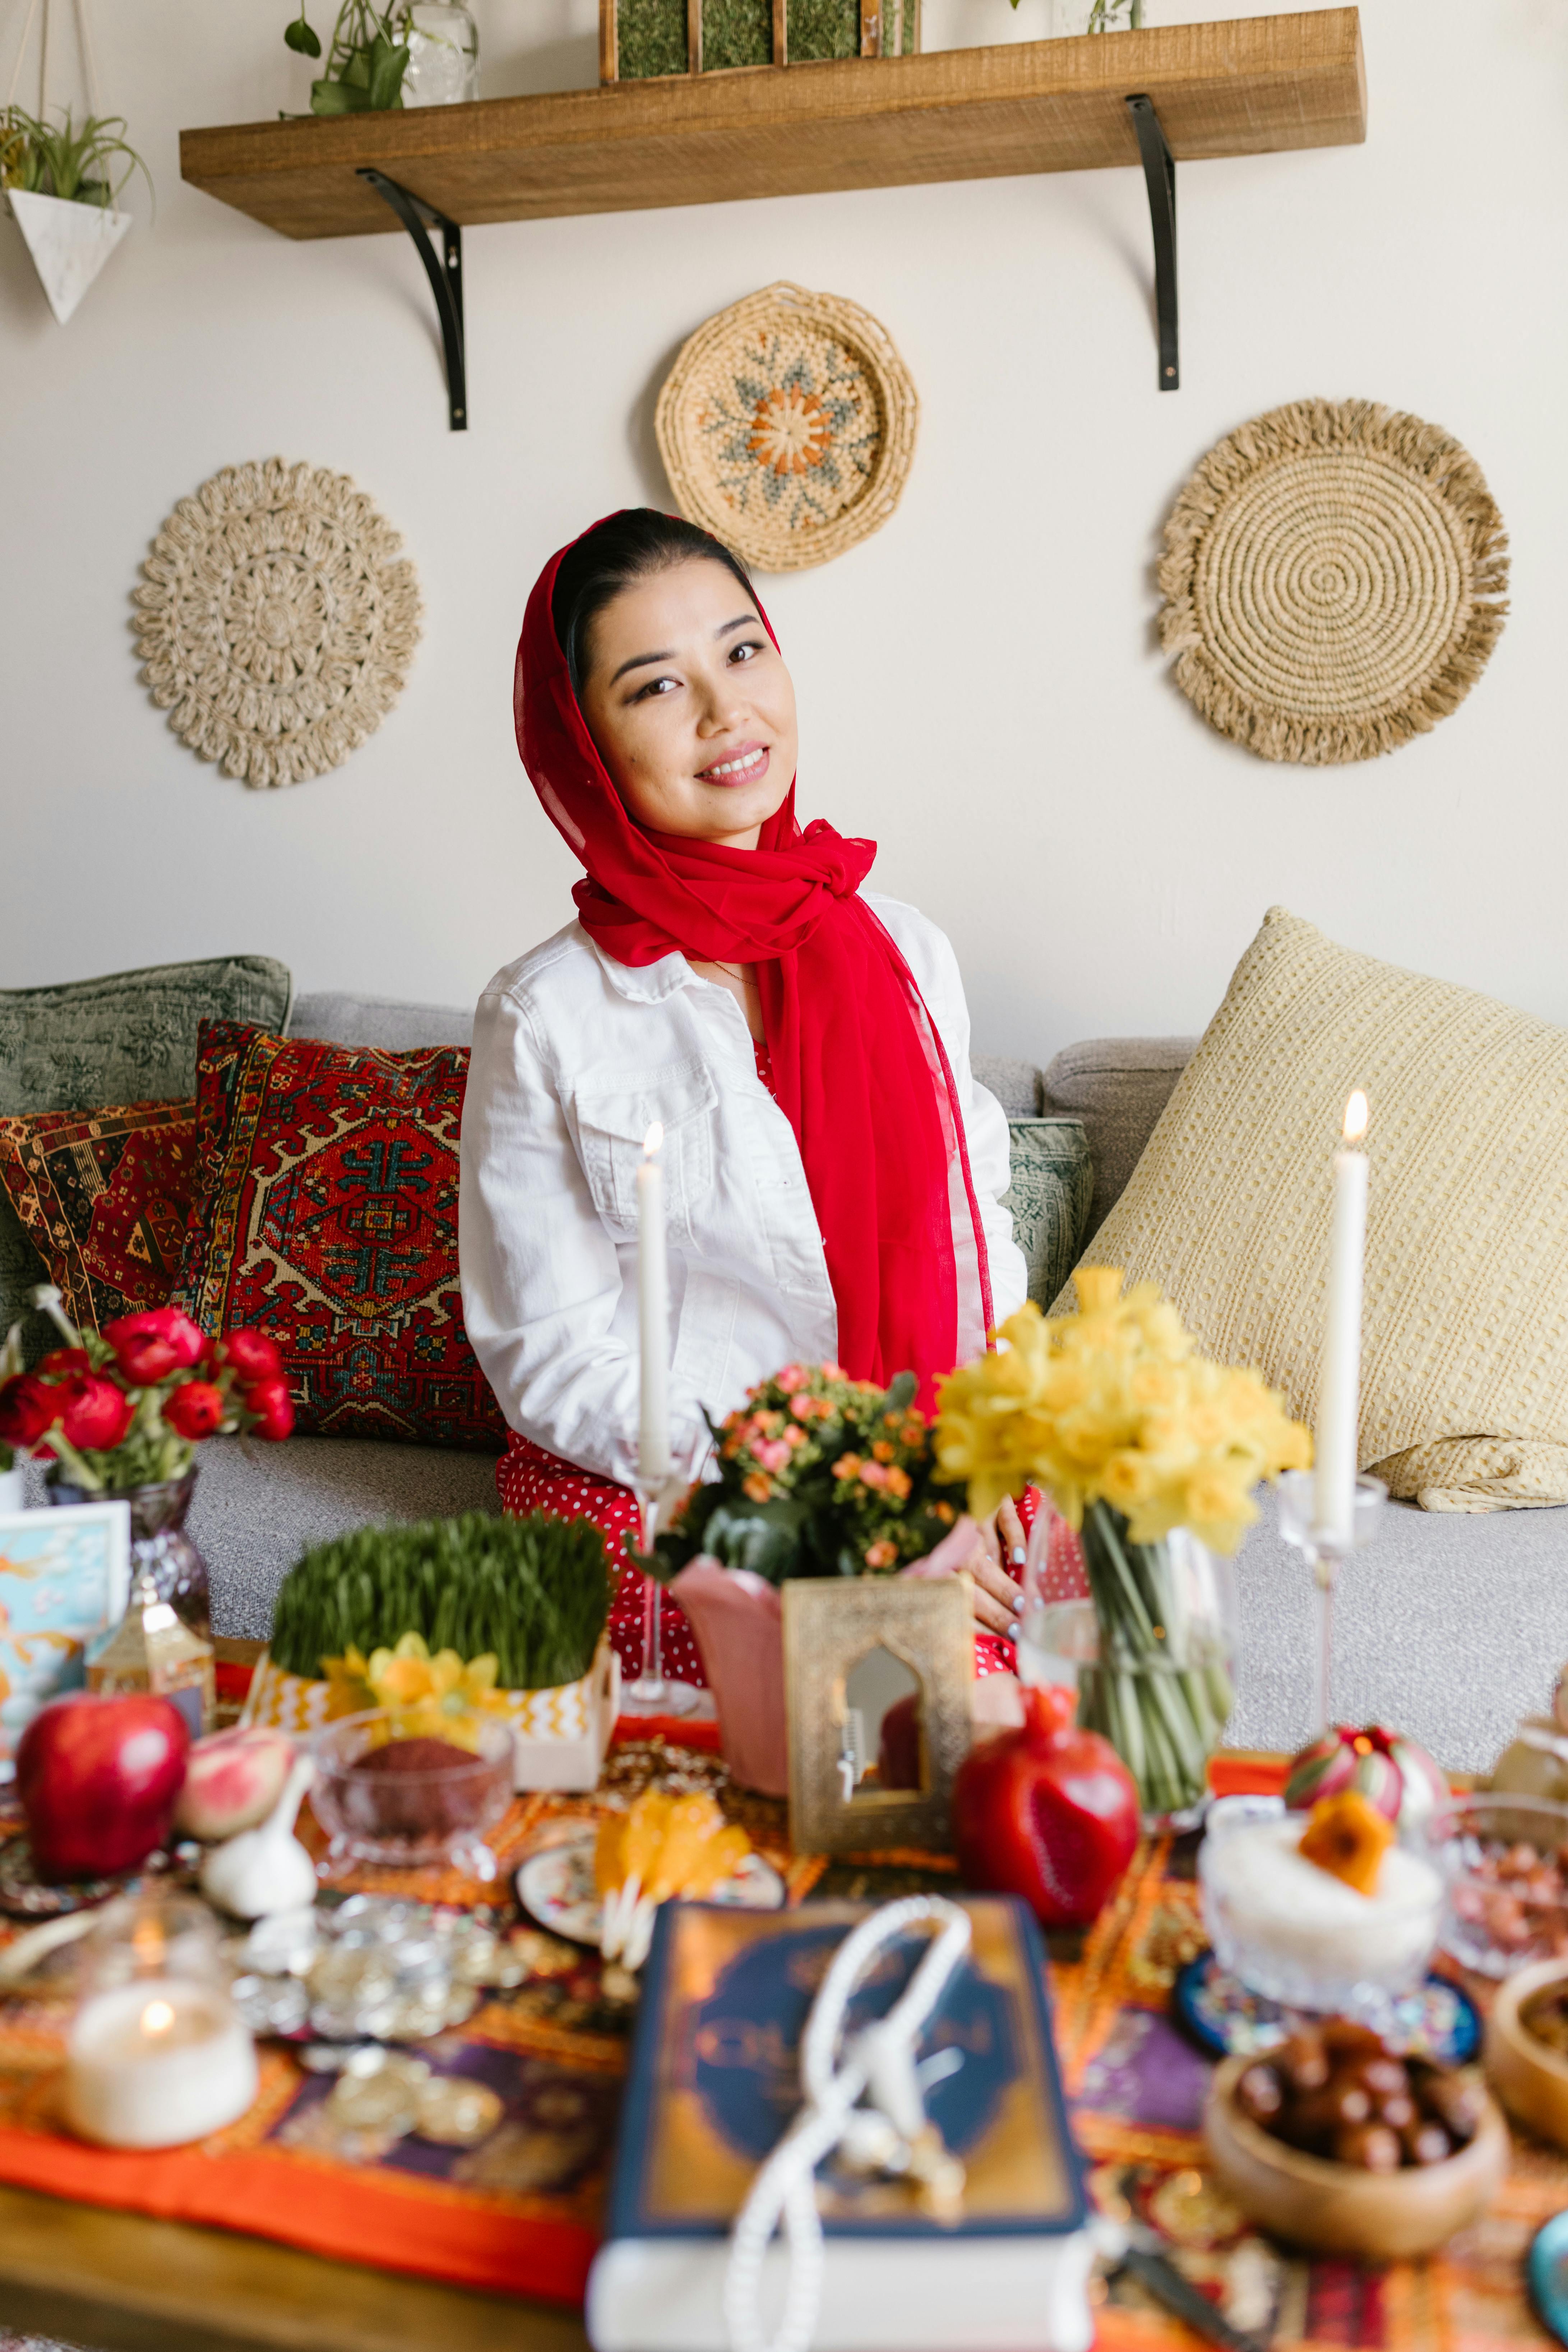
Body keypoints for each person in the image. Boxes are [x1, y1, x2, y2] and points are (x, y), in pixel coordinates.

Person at [459, 508, 1031, 1698]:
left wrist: (945, 1478)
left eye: (743, 650)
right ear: (586, 745)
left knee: (1081, 1605)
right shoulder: (546, 1014)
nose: (727, 712)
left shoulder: (906, 953)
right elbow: (551, 1352)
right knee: (886, 1684)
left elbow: (980, 1250)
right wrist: (823, 1505)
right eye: (656, 685)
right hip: (668, 1479)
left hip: (925, 1439)